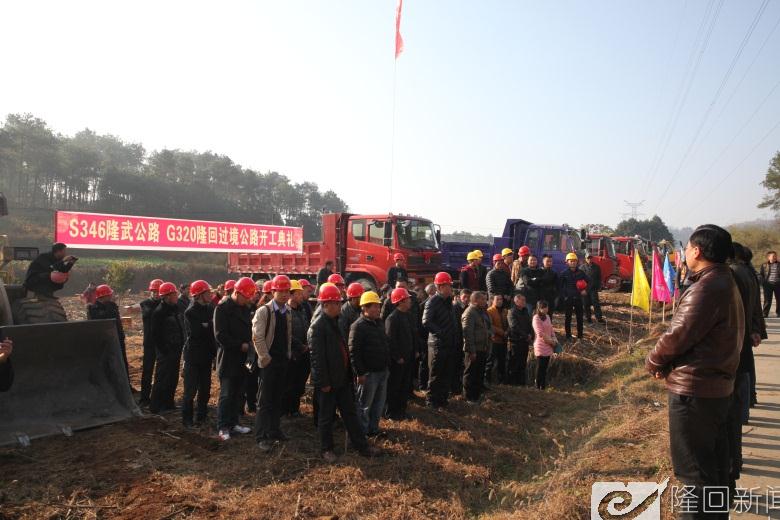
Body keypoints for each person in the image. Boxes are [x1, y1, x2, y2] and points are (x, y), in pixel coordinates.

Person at [645, 225, 744, 518]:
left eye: (687, 248)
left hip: (695, 392)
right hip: (715, 388)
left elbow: (677, 335)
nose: (686, 253)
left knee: (693, 474)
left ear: (697, 251)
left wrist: (654, 361)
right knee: (713, 469)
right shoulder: (725, 280)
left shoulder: (706, 288)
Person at [309, 284, 379, 462]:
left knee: (350, 414)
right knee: (326, 417)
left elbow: (343, 350)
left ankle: (361, 445)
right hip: (328, 383)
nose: (340, 306)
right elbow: (317, 359)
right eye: (336, 303)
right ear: (326, 304)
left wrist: (350, 374)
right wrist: (324, 383)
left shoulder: (336, 321)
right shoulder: (318, 327)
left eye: (339, 303)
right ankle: (326, 449)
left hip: (342, 379)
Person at [726, 243, 765, 489]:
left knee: (731, 414)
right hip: (743, 342)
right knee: (741, 397)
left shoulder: (730, 274)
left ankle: (732, 466)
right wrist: (756, 329)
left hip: (733, 347)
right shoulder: (747, 271)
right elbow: (755, 307)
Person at [252, 275, 293, 452]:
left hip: (282, 361)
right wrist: (265, 357)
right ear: (273, 292)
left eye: (287, 291)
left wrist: (288, 353)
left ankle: (274, 430)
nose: (284, 294)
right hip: (269, 362)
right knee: (265, 400)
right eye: (281, 291)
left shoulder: (287, 311)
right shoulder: (264, 311)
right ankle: (261, 436)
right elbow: (257, 337)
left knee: (277, 398)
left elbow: (288, 335)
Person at [214, 277, 256, 441]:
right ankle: (223, 426)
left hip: (242, 359)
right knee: (226, 394)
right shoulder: (222, 309)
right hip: (228, 358)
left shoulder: (244, 308)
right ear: (237, 293)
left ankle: (234, 423)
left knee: (238, 393)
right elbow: (220, 336)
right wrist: (240, 345)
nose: (248, 300)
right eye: (245, 297)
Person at [349, 291, 390, 436]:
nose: (378, 309)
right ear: (365, 308)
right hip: (368, 374)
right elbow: (354, 352)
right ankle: (363, 432)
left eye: (379, 306)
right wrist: (360, 373)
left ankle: (373, 429)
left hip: (382, 371)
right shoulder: (358, 326)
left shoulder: (379, 323)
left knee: (378, 404)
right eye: (375, 307)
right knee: (365, 405)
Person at [181, 280, 216, 428]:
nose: (211, 295)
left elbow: (212, 330)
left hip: (206, 356)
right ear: (200, 294)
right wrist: (207, 326)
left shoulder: (210, 308)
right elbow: (196, 333)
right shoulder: (190, 312)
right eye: (208, 293)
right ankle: (187, 419)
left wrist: (207, 325)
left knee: (205, 389)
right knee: (190, 390)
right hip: (193, 357)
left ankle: (202, 416)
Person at [422, 272, 457, 409]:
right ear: (441, 287)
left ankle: (442, 399)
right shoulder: (432, 301)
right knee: (436, 373)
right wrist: (441, 333)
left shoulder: (448, 301)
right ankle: (431, 401)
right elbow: (426, 321)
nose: (451, 288)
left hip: (449, 343)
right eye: (448, 285)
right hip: (437, 344)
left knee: (447, 372)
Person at [149, 282, 185, 414]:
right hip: (165, 351)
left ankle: (168, 403)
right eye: (174, 294)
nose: (176, 296)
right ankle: (156, 406)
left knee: (172, 377)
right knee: (162, 377)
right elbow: (155, 334)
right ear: (167, 296)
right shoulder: (159, 312)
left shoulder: (175, 308)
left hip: (176, 349)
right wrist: (164, 350)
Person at [87, 284, 130, 383]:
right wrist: (109, 307)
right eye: (110, 294)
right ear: (105, 296)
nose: (112, 296)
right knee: (107, 364)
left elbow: (117, 322)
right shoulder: (93, 309)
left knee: (122, 362)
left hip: (118, 339)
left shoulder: (112, 306)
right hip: (104, 342)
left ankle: (126, 385)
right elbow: (102, 320)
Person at [385, 288, 416, 420]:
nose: (410, 301)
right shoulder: (392, 319)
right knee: (394, 386)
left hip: (408, 358)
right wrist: (397, 357)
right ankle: (391, 412)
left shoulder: (408, 315)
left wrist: (415, 351)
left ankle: (401, 410)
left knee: (404, 385)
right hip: (398, 361)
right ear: (401, 301)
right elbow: (390, 340)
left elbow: (412, 335)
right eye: (407, 299)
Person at [283, 280, 311, 417]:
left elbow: (307, 328)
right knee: (289, 383)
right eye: (298, 293)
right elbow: (286, 334)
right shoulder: (285, 311)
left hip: (304, 353)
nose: (301, 296)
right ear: (291, 295)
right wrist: (300, 346)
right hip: (293, 354)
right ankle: (286, 410)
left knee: (300, 383)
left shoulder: (302, 310)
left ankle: (295, 409)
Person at [461, 291, 490, 404]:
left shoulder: (480, 312)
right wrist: (472, 351)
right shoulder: (470, 313)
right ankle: (469, 397)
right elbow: (468, 333)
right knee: (470, 373)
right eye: (482, 299)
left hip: (482, 348)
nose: (485, 301)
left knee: (479, 373)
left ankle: (476, 396)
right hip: (473, 349)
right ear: (475, 300)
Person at [138, 279, 163, 407]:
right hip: (149, 342)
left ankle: (158, 397)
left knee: (161, 371)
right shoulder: (145, 304)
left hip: (162, 342)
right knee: (148, 370)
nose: (156, 294)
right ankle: (144, 398)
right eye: (154, 291)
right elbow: (150, 314)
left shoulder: (163, 304)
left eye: (158, 292)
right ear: (150, 291)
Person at [558, 252, 588, 340]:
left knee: (580, 318)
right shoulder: (563, 273)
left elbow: (590, 282)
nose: (573, 263)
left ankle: (580, 335)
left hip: (578, 298)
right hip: (569, 299)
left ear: (577, 262)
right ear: (567, 262)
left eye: (574, 261)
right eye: (571, 261)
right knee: (568, 317)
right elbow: (559, 287)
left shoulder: (581, 273)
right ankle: (568, 335)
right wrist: (564, 296)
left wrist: (586, 290)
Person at [507, 292, 533, 386]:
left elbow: (529, 324)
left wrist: (530, 334)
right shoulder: (512, 312)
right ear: (516, 301)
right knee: (514, 363)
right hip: (515, 341)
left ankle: (521, 383)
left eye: (525, 300)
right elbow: (514, 326)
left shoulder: (525, 311)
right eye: (523, 300)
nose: (524, 302)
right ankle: (512, 383)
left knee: (523, 363)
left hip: (524, 341)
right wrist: (526, 335)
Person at [532, 300, 556, 390]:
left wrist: (554, 339)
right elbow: (540, 333)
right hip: (541, 345)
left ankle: (543, 386)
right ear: (539, 308)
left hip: (549, 344)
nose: (545, 309)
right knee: (540, 366)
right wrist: (551, 342)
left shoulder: (548, 317)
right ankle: (537, 385)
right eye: (543, 307)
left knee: (545, 366)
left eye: (546, 307)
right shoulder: (536, 318)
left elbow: (551, 329)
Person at [451, 288, 471, 395]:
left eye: (468, 297)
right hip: (457, 340)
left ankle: (459, 385)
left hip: (464, 339)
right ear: (459, 297)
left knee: (461, 364)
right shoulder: (455, 308)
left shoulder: (468, 308)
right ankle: (454, 387)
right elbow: (456, 326)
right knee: (455, 364)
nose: (466, 299)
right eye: (464, 297)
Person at [485, 294, 508, 385]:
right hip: (494, 340)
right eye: (497, 299)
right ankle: (487, 380)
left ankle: (501, 381)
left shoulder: (505, 311)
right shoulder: (489, 311)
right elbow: (490, 325)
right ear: (492, 301)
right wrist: (502, 332)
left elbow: (508, 324)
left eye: (501, 299)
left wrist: (507, 331)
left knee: (502, 361)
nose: (500, 301)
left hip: (503, 340)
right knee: (490, 362)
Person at [579, 252, 604, 323]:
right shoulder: (581, 268)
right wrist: (581, 289)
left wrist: (599, 286)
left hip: (593, 288)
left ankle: (599, 318)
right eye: (588, 258)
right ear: (585, 259)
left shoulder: (597, 267)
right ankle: (588, 318)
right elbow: (579, 279)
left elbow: (599, 277)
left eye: (590, 258)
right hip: (585, 289)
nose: (589, 259)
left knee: (596, 304)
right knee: (586, 304)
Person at [759, 250, 780, 318]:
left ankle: (779, 313)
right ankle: (765, 313)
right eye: (773, 256)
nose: (775, 257)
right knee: (767, 300)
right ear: (769, 257)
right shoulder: (764, 265)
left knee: (779, 299)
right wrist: (763, 282)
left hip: (778, 284)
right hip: (768, 285)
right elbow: (761, 275)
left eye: (775, 256)